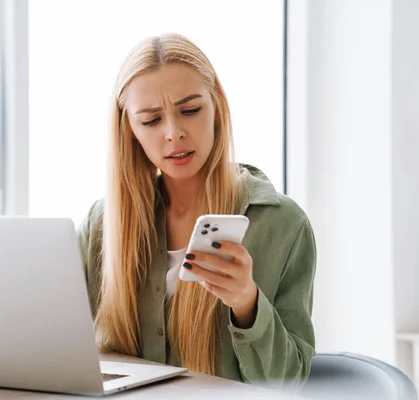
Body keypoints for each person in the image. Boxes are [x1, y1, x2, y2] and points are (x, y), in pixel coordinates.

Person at [77, 33, 316, 386]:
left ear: (217, 106)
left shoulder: (283, 225)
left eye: (190, 110)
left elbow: (289, 383)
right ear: (129, 130)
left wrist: (247, 303)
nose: (174, 133)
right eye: (151, 121)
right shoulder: (102, 225)